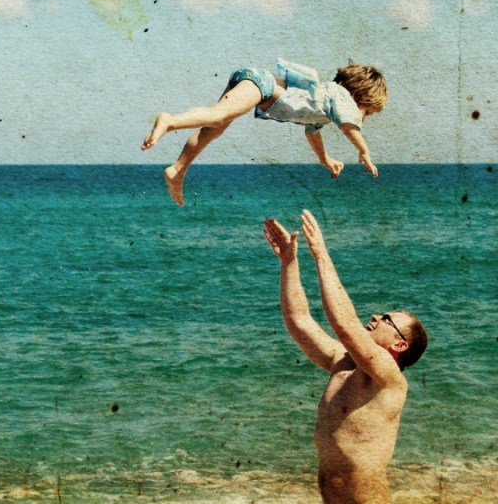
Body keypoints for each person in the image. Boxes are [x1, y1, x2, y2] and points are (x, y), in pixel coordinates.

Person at [263, 210, 427, 504]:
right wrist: (289, 263)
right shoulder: (343, 361)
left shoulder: (389, 378)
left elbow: (346, 325)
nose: (376, 315)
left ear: (400, 345)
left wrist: (321, 254)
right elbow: (299, 320)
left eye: (387, 319)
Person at [141, 59, 388, 206]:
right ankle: (169, 120)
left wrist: (325, 159)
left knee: (214, 125)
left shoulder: (325, 106)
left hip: (255, 81)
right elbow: (349, 125)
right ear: (358, 96)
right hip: (262, 86)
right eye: (367, 112)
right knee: (218, 116)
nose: (363, 117)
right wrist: (363, 150)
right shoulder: (341, 97)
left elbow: (312, 133)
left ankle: (178, 169)